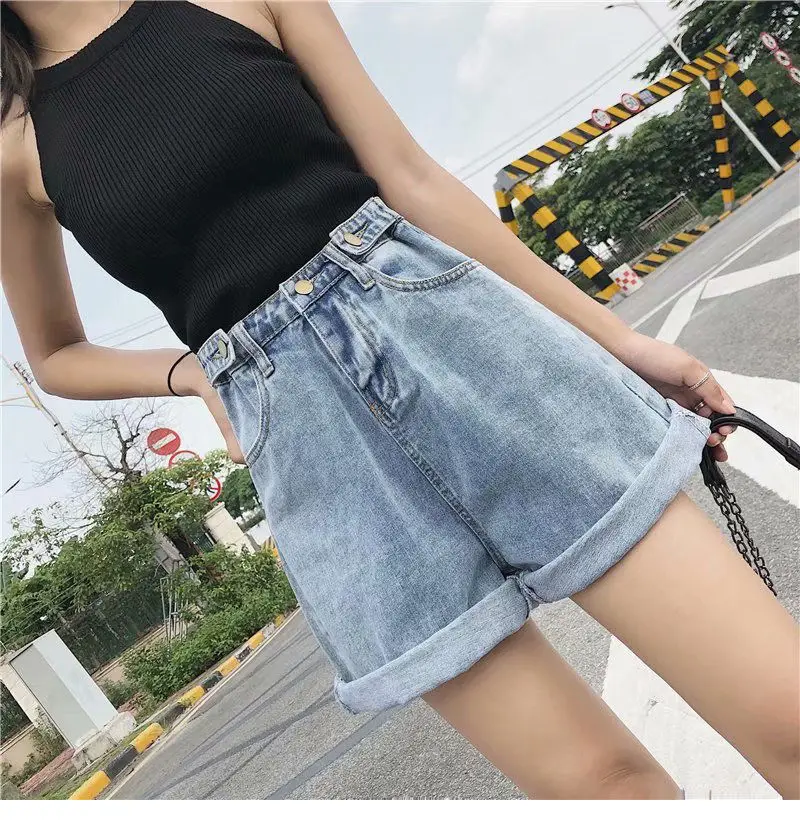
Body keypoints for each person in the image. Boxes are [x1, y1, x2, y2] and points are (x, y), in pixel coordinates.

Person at [1, 2, 797, 800]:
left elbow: (409, 176)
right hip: (316, 457)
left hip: (467, 349)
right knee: (606, 792)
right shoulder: (17, 143)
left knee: (785, 714)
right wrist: (193, 374)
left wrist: (620, 341)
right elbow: (55, 355)